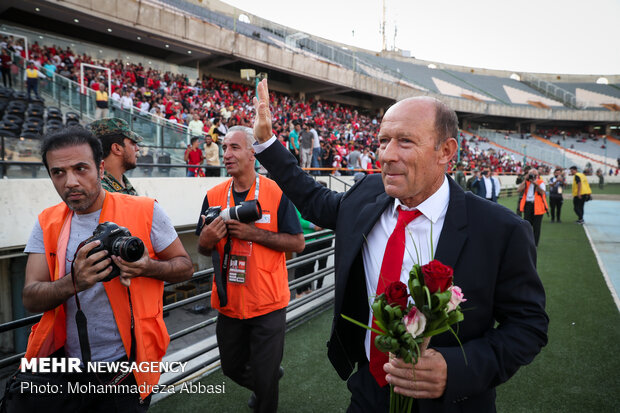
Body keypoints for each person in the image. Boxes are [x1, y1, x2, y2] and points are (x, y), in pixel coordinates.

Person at [251, 79, 548, 412]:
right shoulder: (365, 195)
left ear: (446, 151)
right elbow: (315, 199)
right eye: (383, 140)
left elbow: (528, 326)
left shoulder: (499, 230)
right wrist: (267, 142)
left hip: (450, 403)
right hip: (367, 390)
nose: (387, 155)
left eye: (405, 142)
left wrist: (455, 369)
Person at [8, 127, 193, 412]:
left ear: (101, 167)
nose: (70, 182)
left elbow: (185, 267)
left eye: (81, 168)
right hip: (64, 368)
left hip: (128, 368)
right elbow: (30, 297)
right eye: (58, 173)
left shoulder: (146, 210)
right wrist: (74, 282)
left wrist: (147, 266)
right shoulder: (46, 222)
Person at [195, 126, 305, 413]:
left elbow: (297, 242)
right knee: (231, 368)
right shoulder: (214, 194)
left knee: (266, 391)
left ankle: (265, 386)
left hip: (268, 303)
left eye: (234, 147)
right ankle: (265, 379)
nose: (226, 154)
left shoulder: (276, 192)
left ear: (252, 152)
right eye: (225, 148)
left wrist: (252, 233)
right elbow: (203, 248)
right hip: (229, 303)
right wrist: (205, 241)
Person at [87, 117, 141, 195]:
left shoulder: (125, 185)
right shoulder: (97, 192)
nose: (137, 148)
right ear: (117, 148)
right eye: (133, 143)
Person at [518, 168, 548, 247]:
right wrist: (525, 179)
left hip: (538, 206)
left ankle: (535, 244)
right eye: (531, 174)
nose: (532, 176)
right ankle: (526, 241)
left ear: (537, 175)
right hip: (528, 205)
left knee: (536, 226)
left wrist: (535, 184)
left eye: (534, 175)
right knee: (526, 225)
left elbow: (542, 192)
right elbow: (519, 189)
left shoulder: (540, 182)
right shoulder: (526, 182)